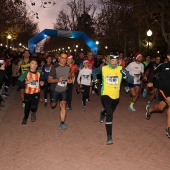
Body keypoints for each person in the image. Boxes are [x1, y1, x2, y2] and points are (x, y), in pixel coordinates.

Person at [92, 52, 133, 145]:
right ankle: (109, 137)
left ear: (118, 61)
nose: (114, 62)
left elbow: (131, 80)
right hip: (105, 93)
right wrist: (95, 81)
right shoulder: (104, 68)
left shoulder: (121, 69)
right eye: (112, 60)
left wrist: (126, 76)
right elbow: (94, 71)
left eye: (116, 60)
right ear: (109, 60)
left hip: (116, 96)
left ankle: (103, 112)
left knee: (109, 110)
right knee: (110, 113)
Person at [146, 51, 170, 138]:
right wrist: (151, 81)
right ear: (168, 56)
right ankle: (168, 128)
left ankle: (150, 109)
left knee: (161, 107)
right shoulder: (163, 65)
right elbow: (153, 72)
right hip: (164, 90)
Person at [17, 58, 44, 125]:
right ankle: (25, 117)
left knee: (34, 106)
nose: (34, 65)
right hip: (28, 93)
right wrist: (27, 81)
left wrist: (41, 82)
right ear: (29, 64)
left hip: (36, 92)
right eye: (32, 63)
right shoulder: (26, 73)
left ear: (37, 65)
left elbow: (42, 79)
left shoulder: (39, 72)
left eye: (35, 64)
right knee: (27, 107)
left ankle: (33, 113)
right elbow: (18, 82)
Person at [48, 52, 71, 130]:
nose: (64, 59)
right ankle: (53, 101)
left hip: (64, 89)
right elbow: (49, 80)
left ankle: (62, 123)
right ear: (59, 58)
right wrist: (57, 80)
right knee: (53, 105)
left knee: (63, 104)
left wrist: (70, 79)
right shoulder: (54, 67)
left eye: (65, 58)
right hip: (54, 89)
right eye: (62, 58)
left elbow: (70, 75)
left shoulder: (68, 67)